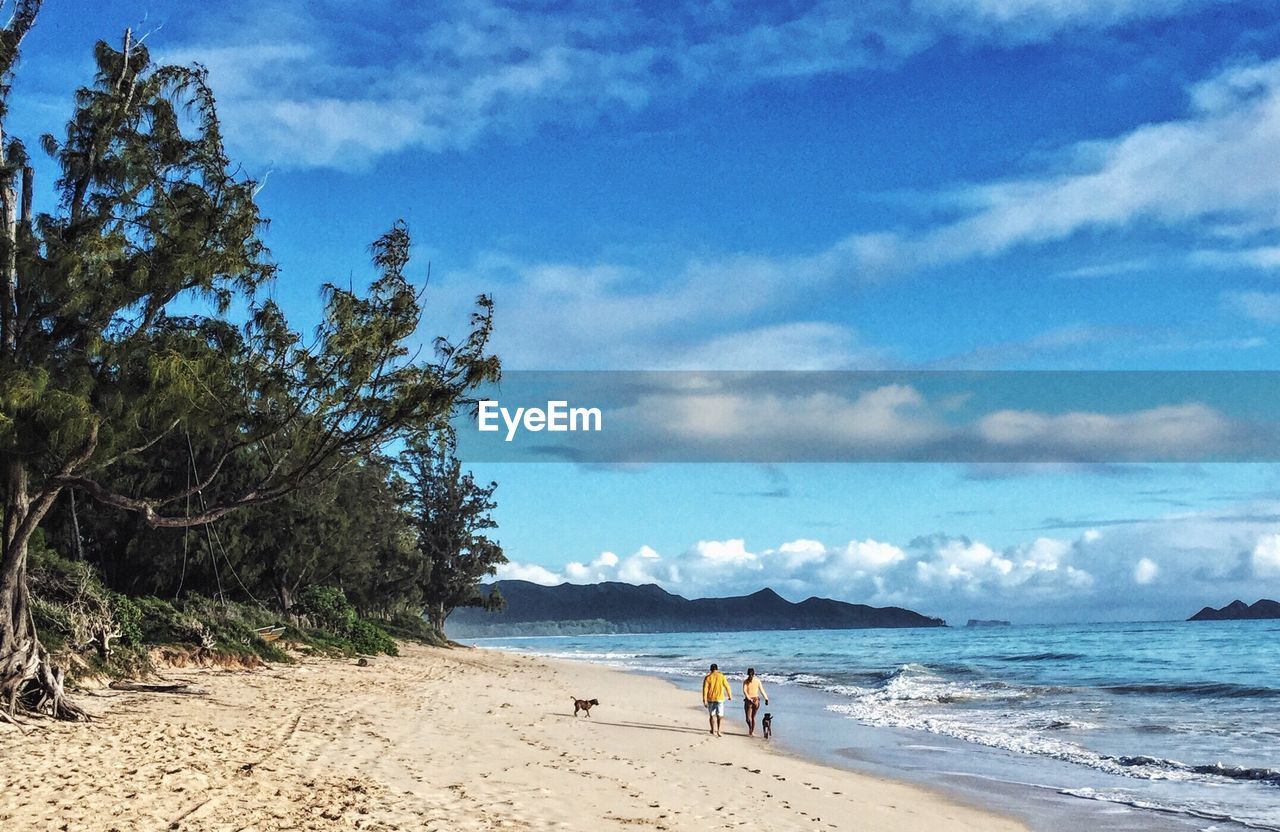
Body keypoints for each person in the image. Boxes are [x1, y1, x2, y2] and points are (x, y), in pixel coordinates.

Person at [701, 662, 732, 737]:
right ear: (717, 669)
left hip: (710, 698)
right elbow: (727, 686)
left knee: (712, 715)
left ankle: (712, 729)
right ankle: (719, 730)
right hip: (720, 698)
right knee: (719, 715)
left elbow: (705, 689)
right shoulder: (721, 676)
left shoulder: (708, 677)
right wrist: (729, 695)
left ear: (710, 669)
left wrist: (704, 700)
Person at [742, 668, 769, 737]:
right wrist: (766, 698)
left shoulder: (746, 681)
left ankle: (750, 730)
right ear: (754, 673)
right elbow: (762, 690)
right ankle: (752, 732)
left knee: (748, 718)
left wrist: (749, 698)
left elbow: (744, 691)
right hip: (756, 700)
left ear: (747, 673)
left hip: (749, 701)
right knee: (753, 717)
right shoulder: (757, 681)